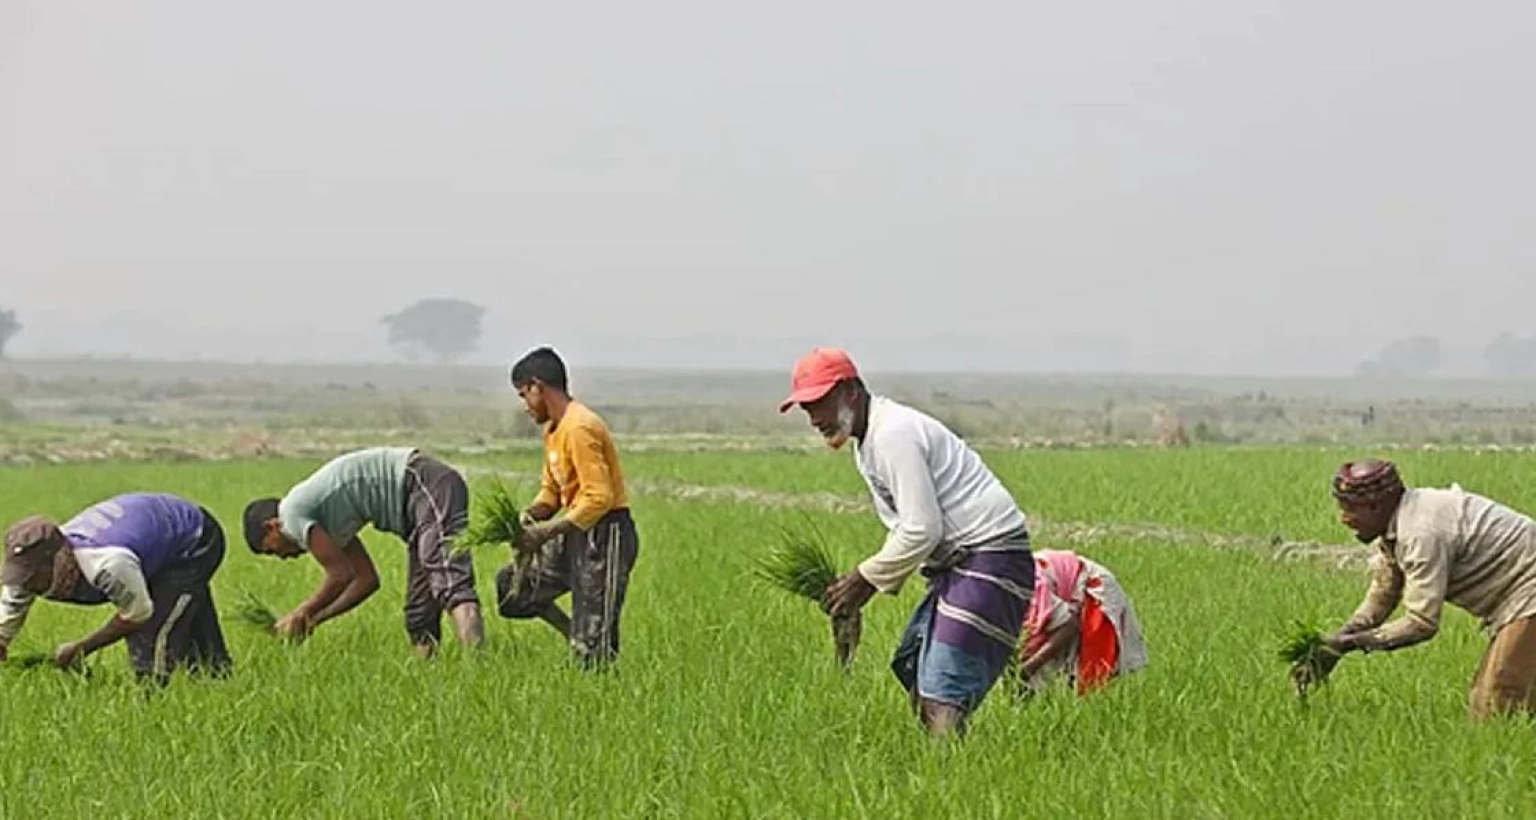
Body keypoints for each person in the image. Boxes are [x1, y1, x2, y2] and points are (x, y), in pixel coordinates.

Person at [779, 347, 1035, 738]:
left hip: (990, 557)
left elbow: (922, 529)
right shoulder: (869, 442)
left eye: (819, 403)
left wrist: (864, 581)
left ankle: (949, 786)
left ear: (850, 391)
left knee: (942, 696)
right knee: (916, 674)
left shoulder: (892, 434)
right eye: (806, 409)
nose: (814, 418)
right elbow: (907, 529)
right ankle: (948, 774)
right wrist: (859, 592)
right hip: (962, 564)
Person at [1297, 458, 1536, 720]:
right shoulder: (1398, 524)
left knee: (1498, 700)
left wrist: (1349, 644)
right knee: (1492, 701)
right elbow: (1384, 592)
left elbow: (1421, 623)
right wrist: (1337, 639)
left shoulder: (1421, 532)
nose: (1344, 519)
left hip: (1528, 591)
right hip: (1515, 598)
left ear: (1376, 506)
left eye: (1350, 509)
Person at [242, 446, 484, 657]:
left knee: (449, 581)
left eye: (272, 550)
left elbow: (340, 575)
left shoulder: (290, 514)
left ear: (271, 526)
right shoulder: (327, 524)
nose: (284, 557)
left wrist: (301, 613)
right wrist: (314, 620)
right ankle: (429, 676)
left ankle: (478, 669)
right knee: (419, 613)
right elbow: (366, 580)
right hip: (415, 511)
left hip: (423, 482)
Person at [495, 346, 640, 670]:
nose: (525, 406)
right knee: (513, 591)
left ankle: (591, 652)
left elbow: (599, 497)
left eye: (523, 395)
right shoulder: (554, 431)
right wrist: (528, 517)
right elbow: (552, 492)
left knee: (594, 650)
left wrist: (546, 532)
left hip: (605, 535)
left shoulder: (580, 427)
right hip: (573, 530)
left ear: (538, 387)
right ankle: (576, 635)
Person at [0, 492, 231, 685]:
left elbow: (137, 615)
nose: (26, 584)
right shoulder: (26, 573)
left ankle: (151, 700)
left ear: (57, 560)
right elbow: (9, 613)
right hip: (149, 544)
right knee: (184, 612)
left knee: (155, 630)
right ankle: (219, 678)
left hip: (193, 540)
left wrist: (81, 649)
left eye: (32, 577)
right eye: (21, 576)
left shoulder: (107, 564)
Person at [1016, 549, 1147, 696]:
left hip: (1092, 588)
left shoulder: (1026, 593)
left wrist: (1028, 669)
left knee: (1091, 678)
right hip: (1059, 599)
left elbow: (1069, 627)